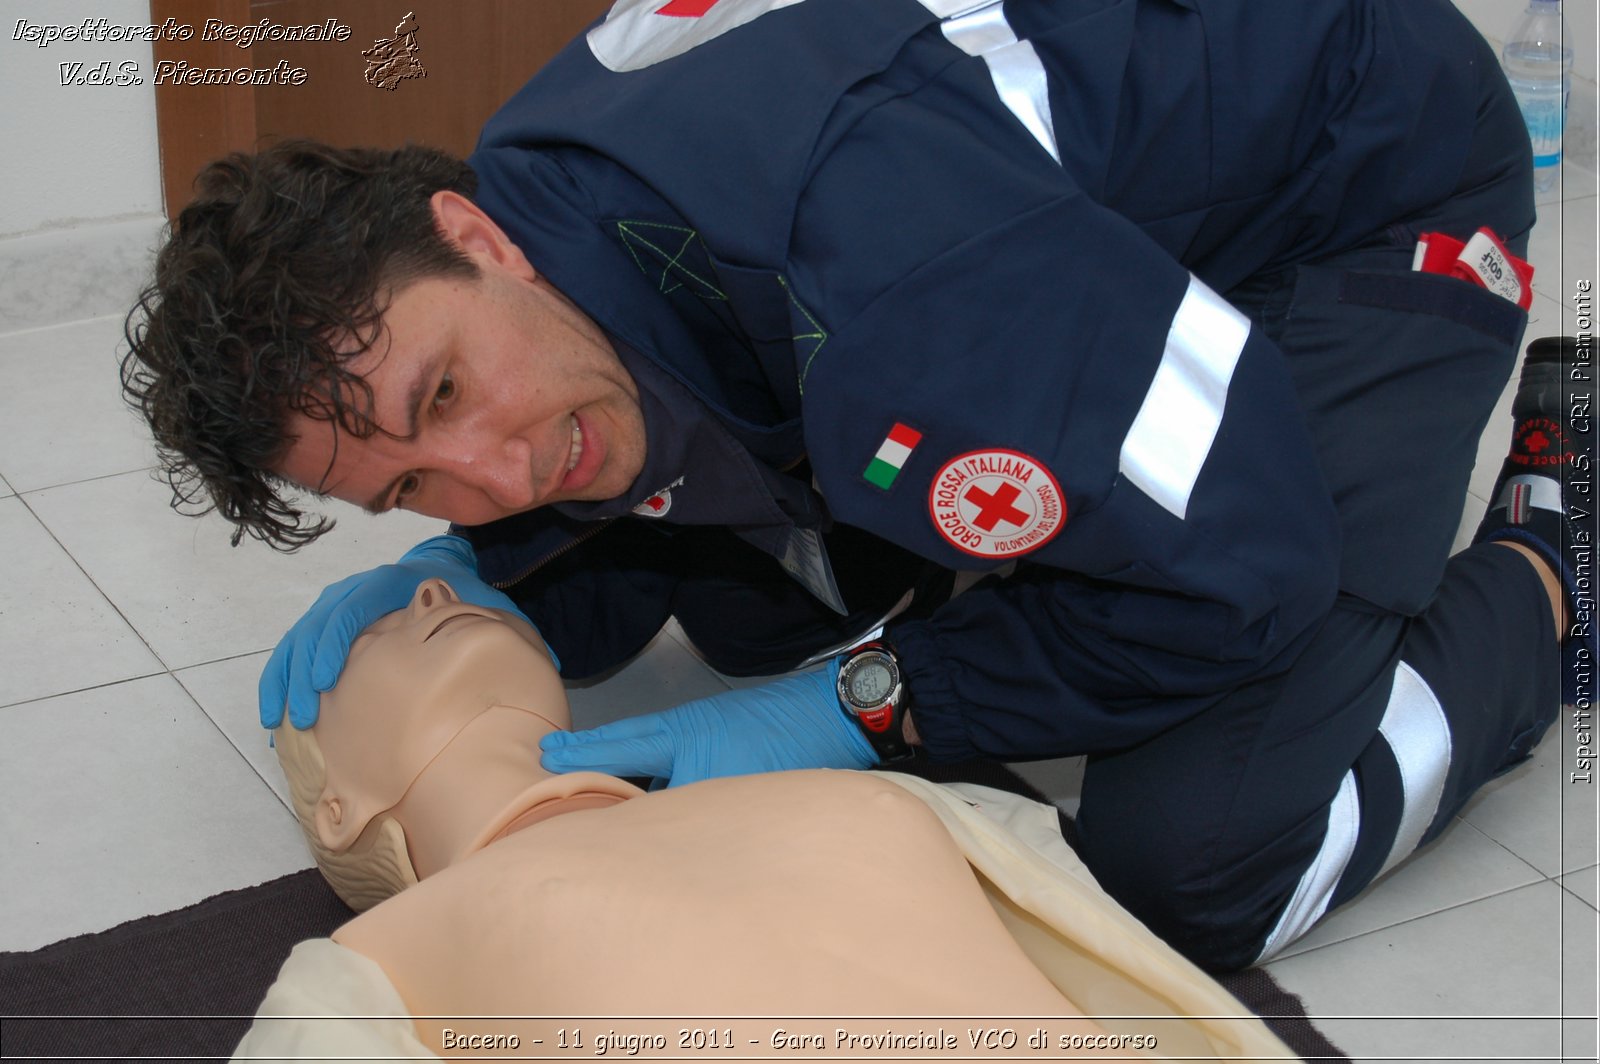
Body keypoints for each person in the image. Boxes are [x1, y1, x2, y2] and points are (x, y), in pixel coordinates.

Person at [121, 0, 1593, 970]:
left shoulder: (897, 284)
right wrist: (468, 586)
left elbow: (1241, 572)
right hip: (1092, 203)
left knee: (1205, 862)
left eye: (442, 395)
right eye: (409, 490)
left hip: (1355, 187)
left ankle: (1552, 553)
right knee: (745, 603)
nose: (490, 475)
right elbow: (603, 461)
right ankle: (1083, 401)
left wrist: (866, 703)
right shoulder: (540, 197)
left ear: (473, 235)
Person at [234, 573, 1295, 1061]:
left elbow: (1123, 972)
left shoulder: (901, 797)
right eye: (374, 634)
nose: (425, 594)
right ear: (338, 808)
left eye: (432, 585)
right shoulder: (377, 955)